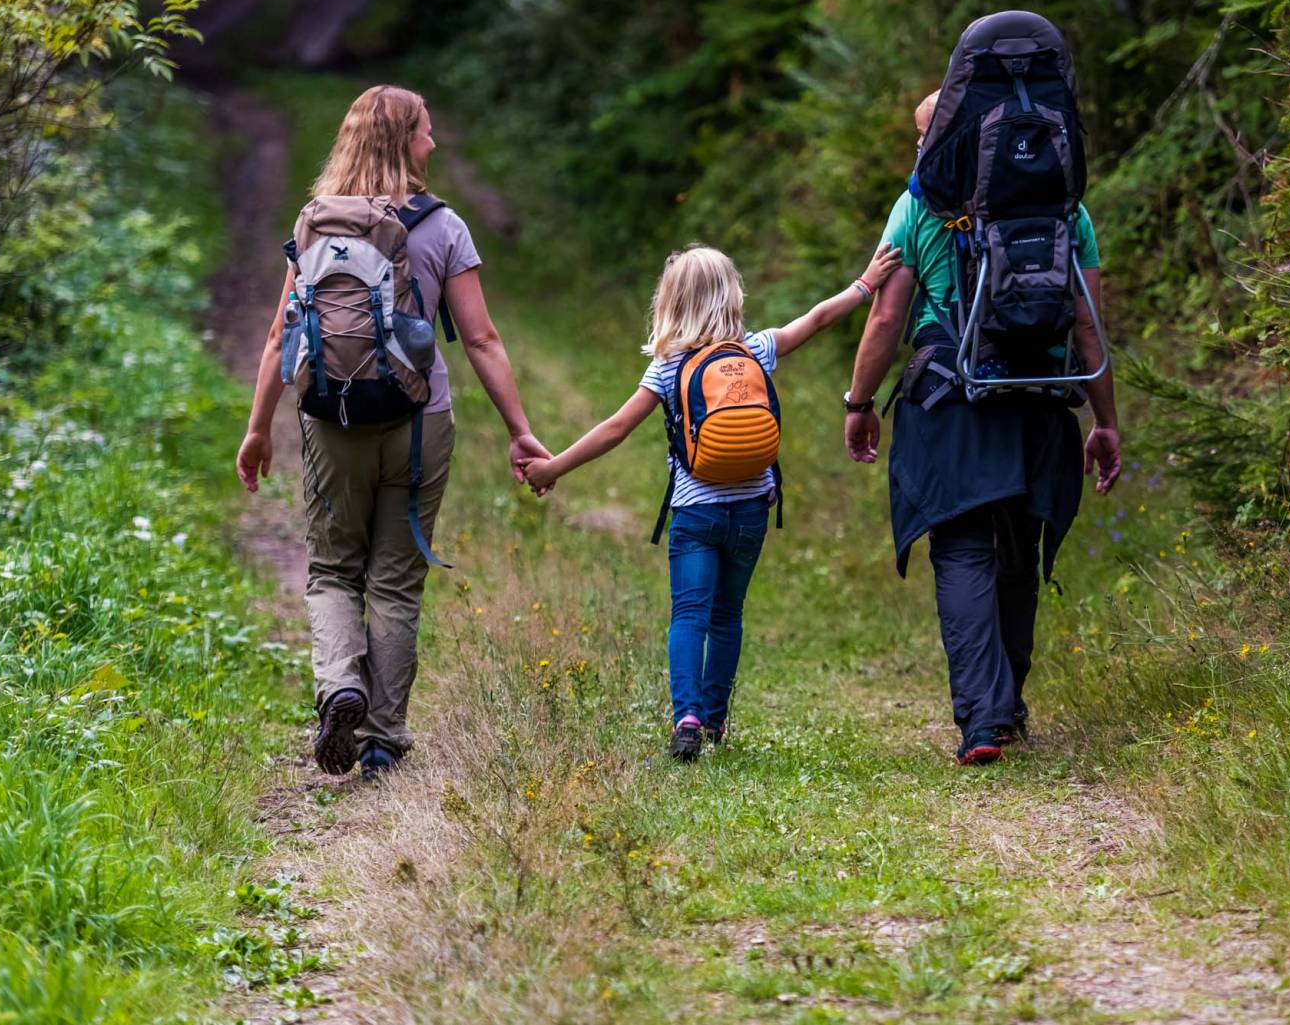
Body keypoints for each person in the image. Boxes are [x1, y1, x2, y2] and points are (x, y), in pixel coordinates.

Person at [235, 85, 551, 780]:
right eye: (427, 132)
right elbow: (482, 339)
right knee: (397, 581)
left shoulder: (316, 222)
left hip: (332, 419)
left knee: (332, 570)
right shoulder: (441, 226)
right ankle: (381, 737)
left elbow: (279, 333)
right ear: (404, 141)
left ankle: (339, 685)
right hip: (418, 423)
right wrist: (520, 430)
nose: (434, 144)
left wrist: (258, 428)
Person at [523, 243, 900, 760]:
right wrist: (865, 284)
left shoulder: (669, 367)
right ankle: (717, 721)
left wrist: (553, 467)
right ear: (732, 296)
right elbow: (815, 320)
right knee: (728, 615)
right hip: (750, 511)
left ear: (672, 303)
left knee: (689, 615)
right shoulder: (757, 350)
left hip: (695, 512)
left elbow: (614, 429)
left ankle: (688, 716)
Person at [843, 88, 1122, 765]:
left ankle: (985, 720)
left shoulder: (919, 205)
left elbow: (885, 319)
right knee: (1018, 553)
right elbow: (1087, 322)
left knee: (965, 549)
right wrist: (1105, 419)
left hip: (950, 402)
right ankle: (1008, 705)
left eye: (923, 136)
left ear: (942, 140)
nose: (919, 148)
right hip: (1038, 399)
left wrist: (859, 401)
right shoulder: (1064, 208)